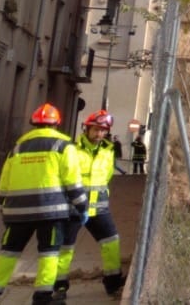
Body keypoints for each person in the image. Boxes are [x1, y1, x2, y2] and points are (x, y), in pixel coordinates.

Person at [0, 103, 88, 305]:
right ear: (57, 123)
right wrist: (82, 207)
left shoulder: (17, 147)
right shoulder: (64, 146)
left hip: (16, 213)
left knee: (8, 252)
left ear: (33, 124)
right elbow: (72, 182)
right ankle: (42, 296)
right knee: (49, 253)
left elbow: (4, 184)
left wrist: (4, 209)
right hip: (51, 212)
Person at [54, 110, 125, 300]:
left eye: (104, 130)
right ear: (87, 128)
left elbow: (107, 176)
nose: (100, 134)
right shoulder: (72, 149)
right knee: (65, 248)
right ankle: (59, 287)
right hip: (73, 208)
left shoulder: (108, 150)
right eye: (96, 129)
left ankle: (113, 283)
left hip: (98, 208)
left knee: (111, 241)